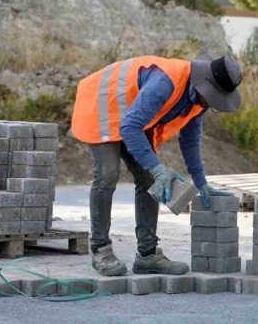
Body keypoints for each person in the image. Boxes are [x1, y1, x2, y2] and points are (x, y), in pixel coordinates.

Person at [71, 52, 242, 276]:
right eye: (213, 97)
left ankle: (147, 255)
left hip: (134, 117)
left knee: (149, 179)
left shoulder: (199, 102)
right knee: (108, 174)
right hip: (102, 105)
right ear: (204, 84)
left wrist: (202, 183)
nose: (211, 103)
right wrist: (159, 168)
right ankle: (101, 250)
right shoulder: (166, 82)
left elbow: (190, 141)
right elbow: (130, 128)